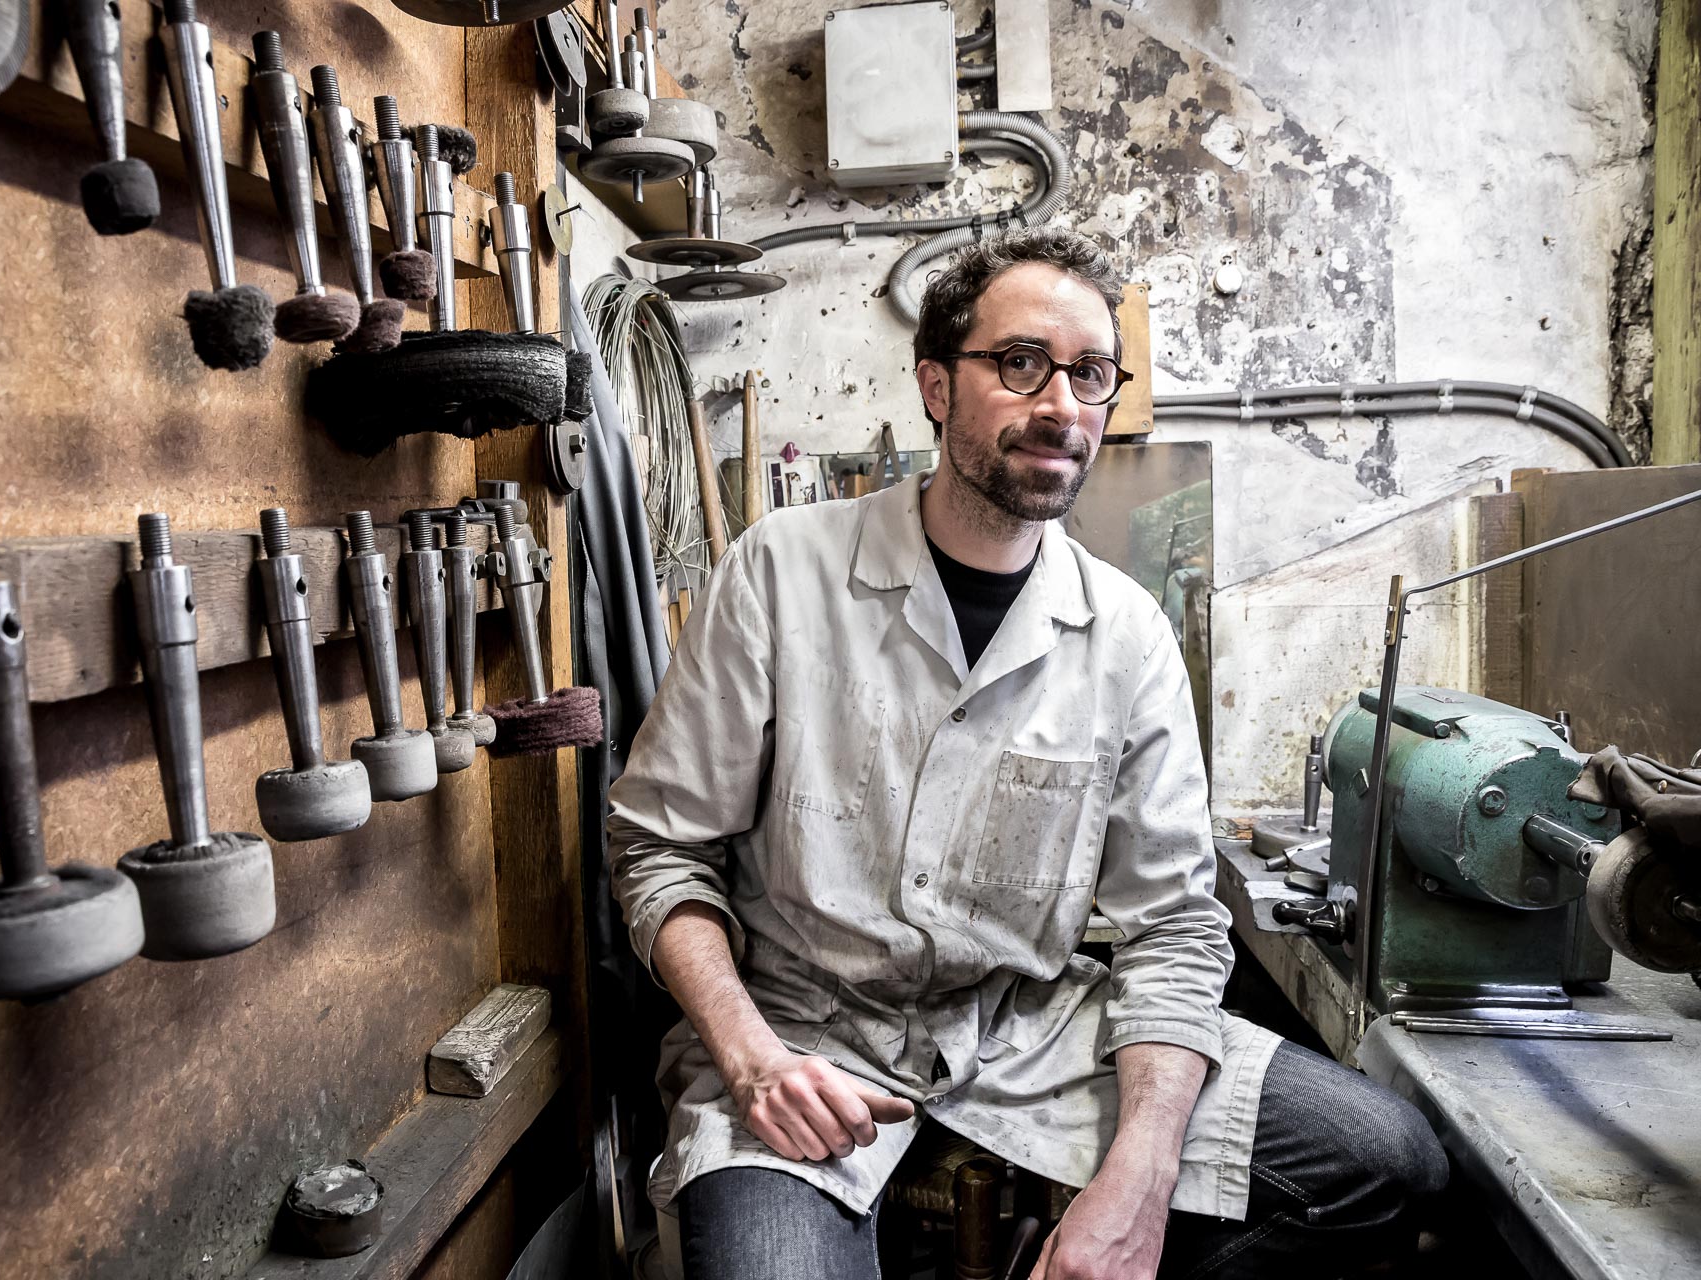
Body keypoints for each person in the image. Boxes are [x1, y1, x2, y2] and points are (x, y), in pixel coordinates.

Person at [607, 226, 1447, 1279]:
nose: (1061, 404)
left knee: (1384, 1159)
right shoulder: (780, 573)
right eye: (1019, 363)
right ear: (935, 384)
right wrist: (750, 1057)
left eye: (1090, 373)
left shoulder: (1127, 632)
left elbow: (1174, 932)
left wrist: (1135, 1189)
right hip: (798, 1036)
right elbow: (659, 851)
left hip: (1026, 1036)